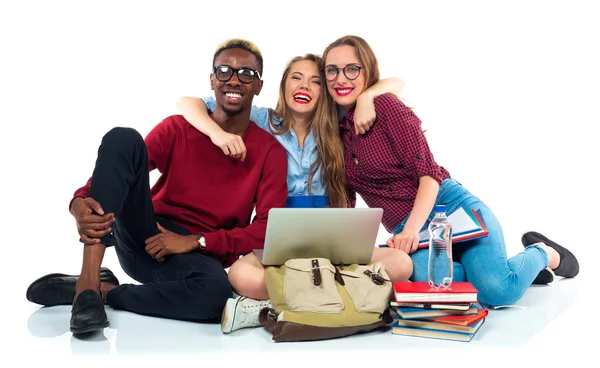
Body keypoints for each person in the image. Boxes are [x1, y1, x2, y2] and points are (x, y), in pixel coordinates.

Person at [25, 39, 289, 334]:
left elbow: (267, 228)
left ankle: (106, 291)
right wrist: (79, 201)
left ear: (259, 86)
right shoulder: (178, 128)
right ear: (212, 79)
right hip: (145, 234)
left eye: (246, 74)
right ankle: (86, 287)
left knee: (216, 296)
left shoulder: (270, 152)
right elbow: (124, 166)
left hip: (196, 257)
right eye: (225, 70)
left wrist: (198, 241)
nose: (234, 80)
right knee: (124, 138)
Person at [321, 35, 580, 307]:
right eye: (332, 70)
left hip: (451, 209)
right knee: (428, 279)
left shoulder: (386, 107)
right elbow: (346, 199)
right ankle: (506, 270)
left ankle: (543, 254)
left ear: (368, 71)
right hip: (409, 229)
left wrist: (409, 231)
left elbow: (430, 175)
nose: (341, 79)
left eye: (352, 69)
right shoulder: (330, 132)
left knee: (497, 293)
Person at [177, 53, 414, 334]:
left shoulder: (336, 121)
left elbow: (397, 83)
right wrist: (217, 134)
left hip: (332, 234)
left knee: (401, 264)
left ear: (324, 92)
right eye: (296, 78)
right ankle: (346, 297)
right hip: (277, 233)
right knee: (240, 275)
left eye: (315, 81)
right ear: (283, 85)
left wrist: (365, 98)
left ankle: (276, 304)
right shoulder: (262, 119)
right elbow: (187, 104)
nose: (304, 87)